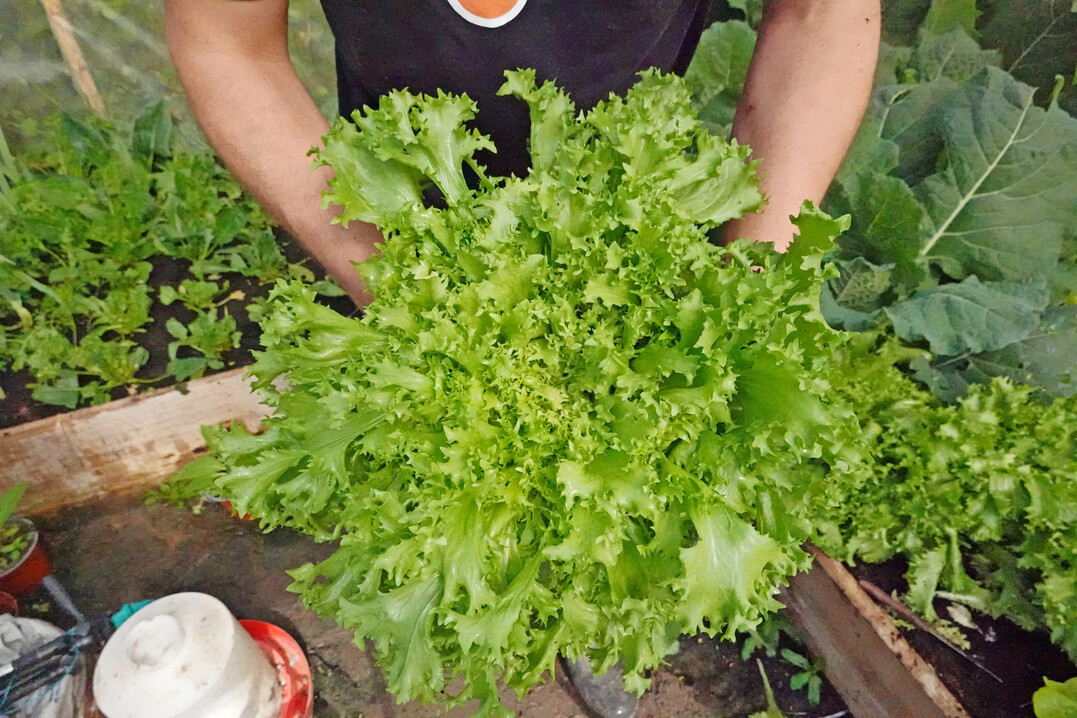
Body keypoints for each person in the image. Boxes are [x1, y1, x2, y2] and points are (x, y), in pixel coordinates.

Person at [164, 1, 880, 716]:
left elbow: (822, 14)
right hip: (403, 221)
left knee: (622, 518)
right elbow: (226, 41)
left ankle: (587, 613)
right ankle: (520, 599)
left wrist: (751, 280)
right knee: (444, 484)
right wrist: (387, 275)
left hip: (622, 208)